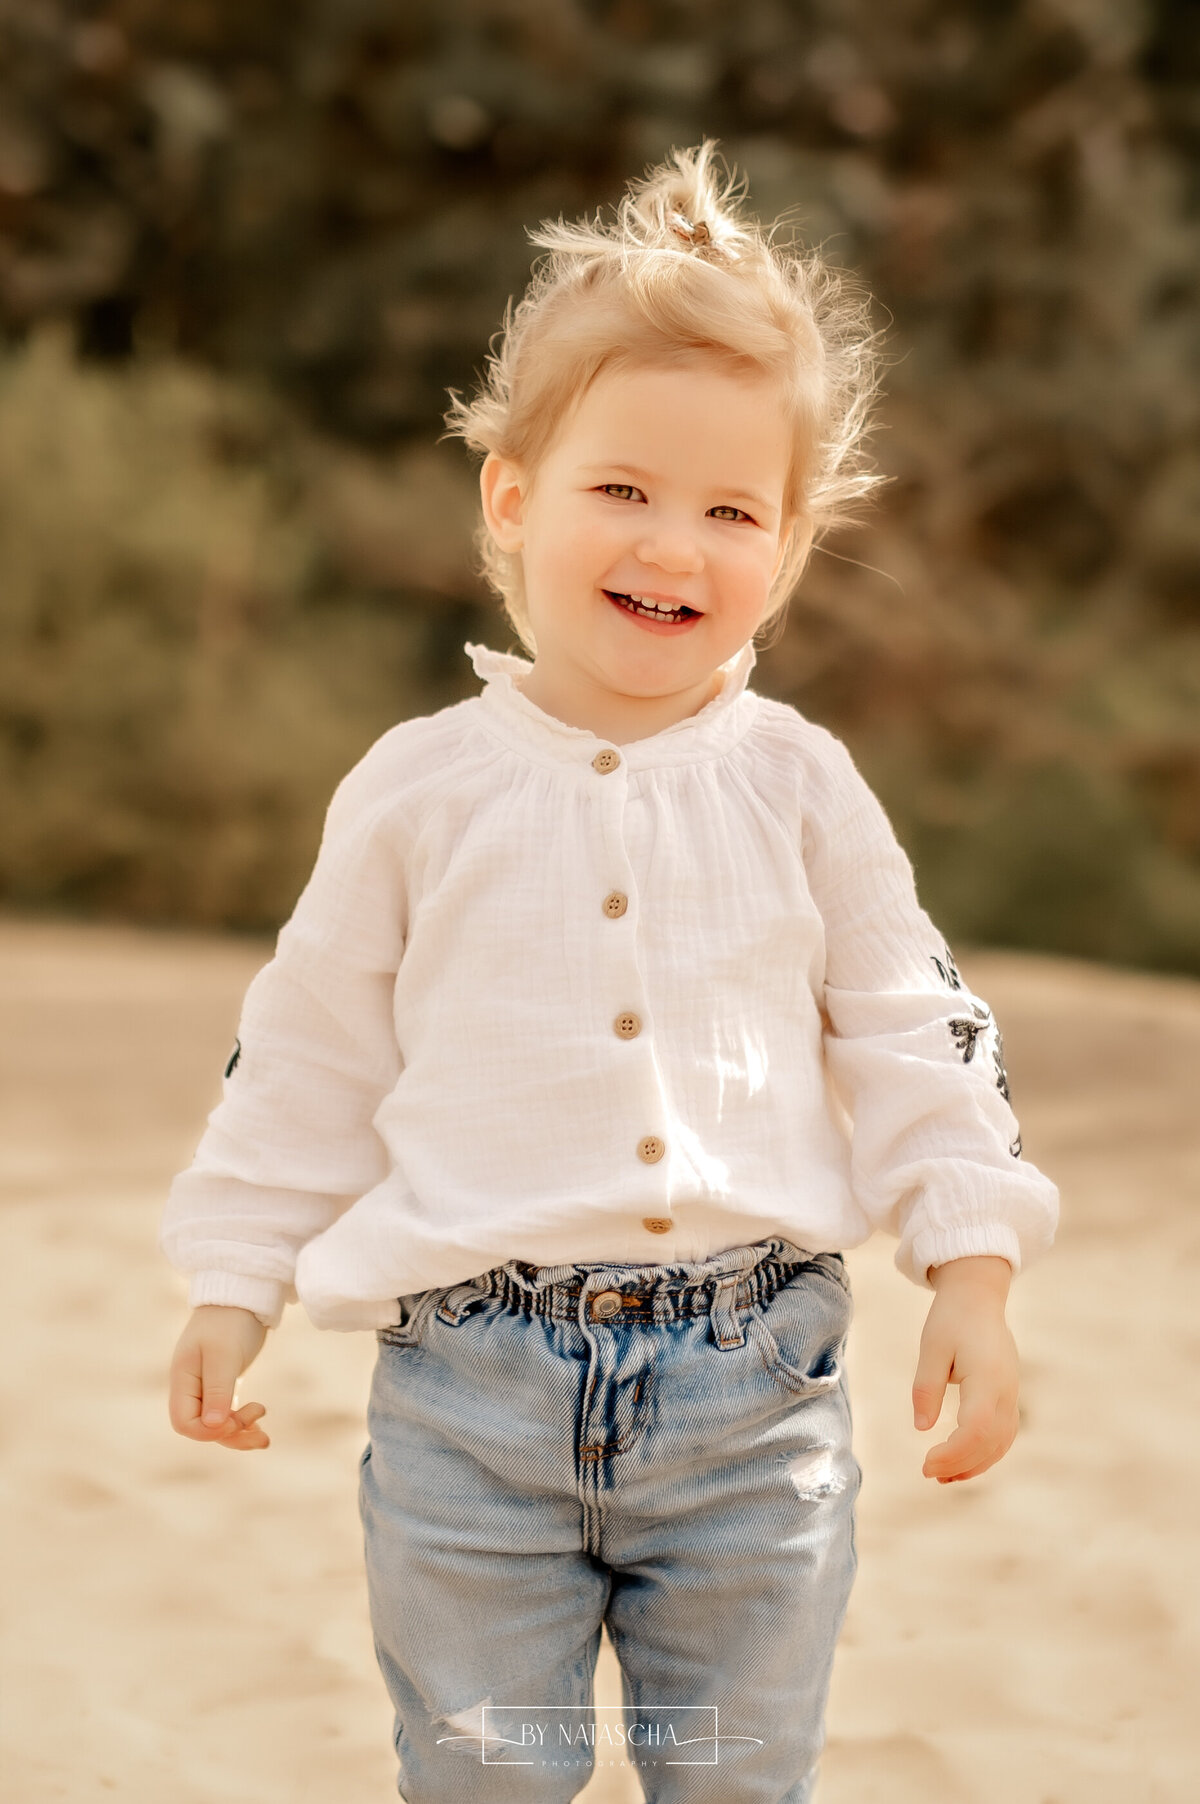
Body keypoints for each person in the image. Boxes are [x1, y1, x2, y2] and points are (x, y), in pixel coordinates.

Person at [162, 140, 1058, 1804]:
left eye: (734, 512)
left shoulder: (802, 785)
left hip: (754, 1405)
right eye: (624, 489)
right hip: (467, 1415)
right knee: (485, 1776)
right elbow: (305, 1054)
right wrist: (236, 1273)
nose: (675, 543)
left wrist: (975, 1269)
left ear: (785, 555)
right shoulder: (417, 790)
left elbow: (919, 1031)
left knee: (735, 1775)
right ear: (514, 496)